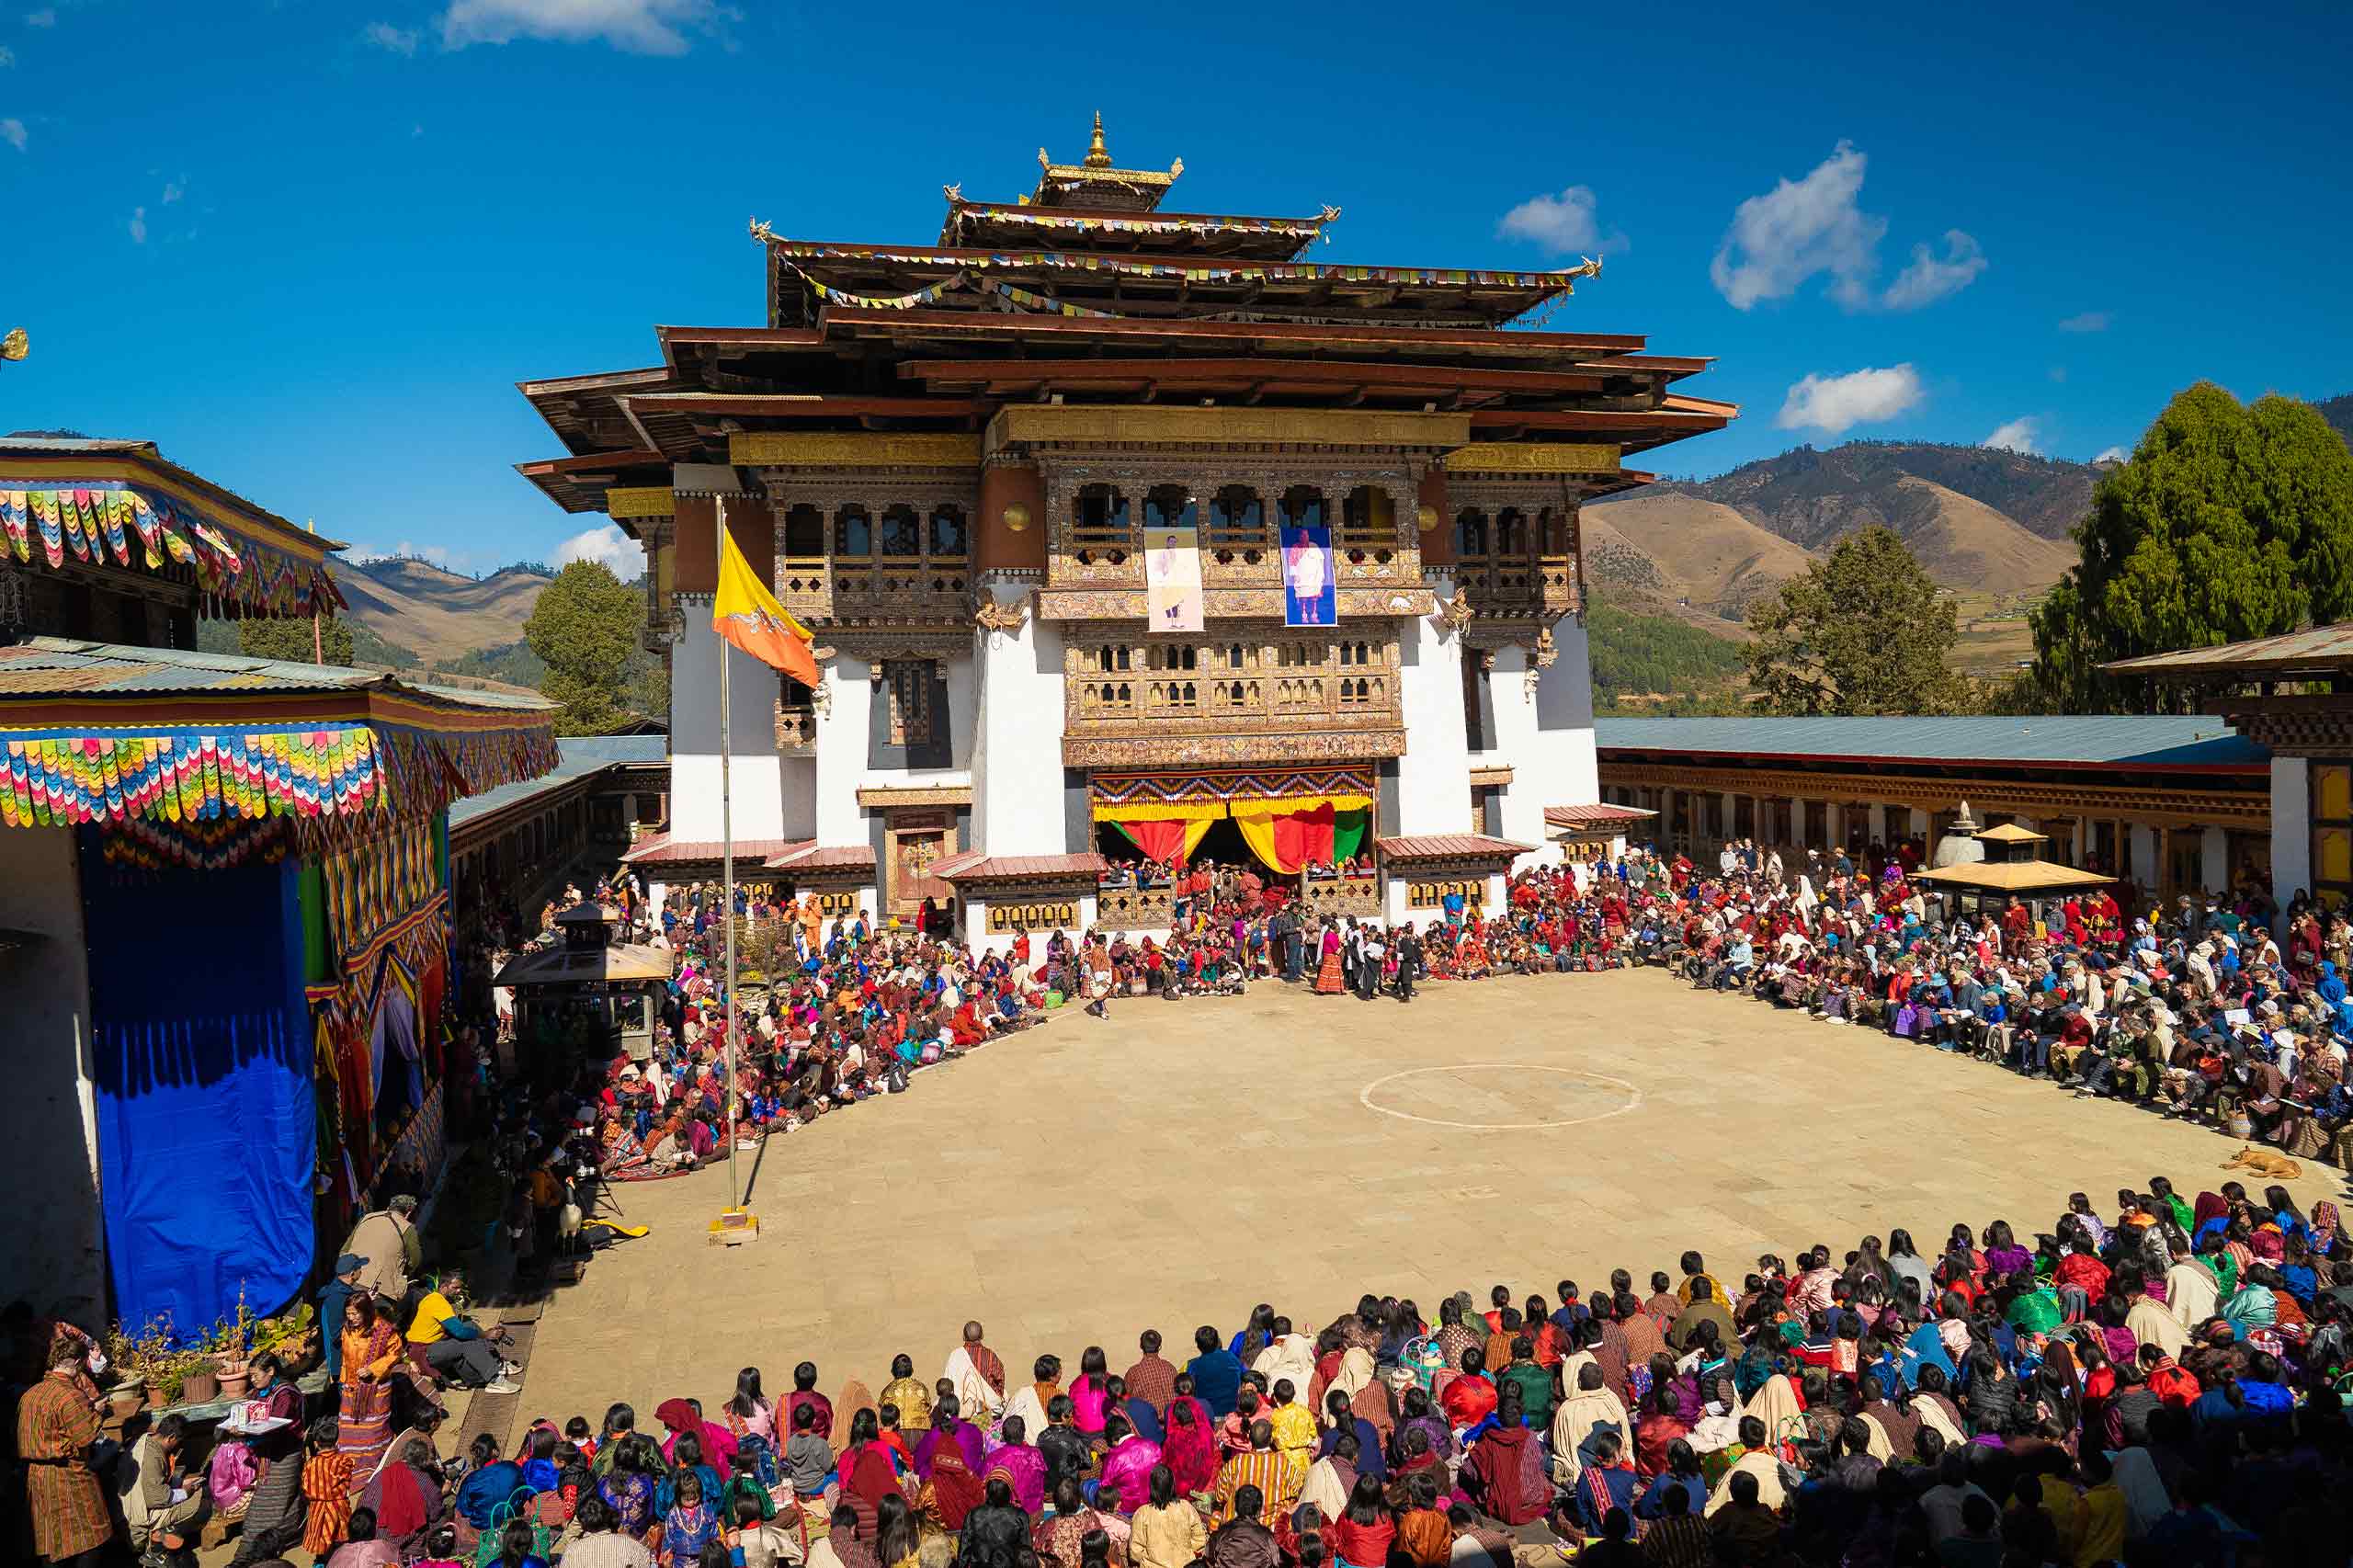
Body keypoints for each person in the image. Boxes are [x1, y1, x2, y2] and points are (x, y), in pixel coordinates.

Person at [18, 1334, 112, 1567]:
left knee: (49, 1540)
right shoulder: (70, 1395)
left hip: (36, 1478)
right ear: (79, 1364)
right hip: (69, 1476)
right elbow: (86, 1437)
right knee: (92, 1537)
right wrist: (96, 1412)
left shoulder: (30, 1395)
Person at [407, 1269, 521, 1392]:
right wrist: (485, 1334)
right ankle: (494, 1380)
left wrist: (483, 1335)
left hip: (433, 1344)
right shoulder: (437, 1303)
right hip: (423, 1351)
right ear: (444, 1287)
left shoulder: (435, 1299)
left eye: (459, 1288)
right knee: (465, 1342)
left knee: (469, 1325)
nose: (459, 1291)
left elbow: (460, 1328)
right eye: (455, 1288)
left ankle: (496, 1362)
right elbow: (459, 1332)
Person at [336, 1293, 408, 1475]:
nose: (351, 1318)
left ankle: (374, 1463)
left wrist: (373, 1369)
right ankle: (351, 1463)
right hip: (351, 1386)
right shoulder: (347, 1329)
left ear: (366, 1312)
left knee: (373, 1428)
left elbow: (395, 1353)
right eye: (348, 1314)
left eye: (355, 1314)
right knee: (349, 1427)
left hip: (376, 1389)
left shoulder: (383, 1330)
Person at [345, 1193, 423, 1309]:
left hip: (348, 1280)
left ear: (389, 1207)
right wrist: (402, 1273)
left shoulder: (367, 1217)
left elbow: (345, 1249)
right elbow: (415, 1260)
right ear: (409, 1212)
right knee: (383, 1323)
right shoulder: (408, 1228)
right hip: (377, 1289)